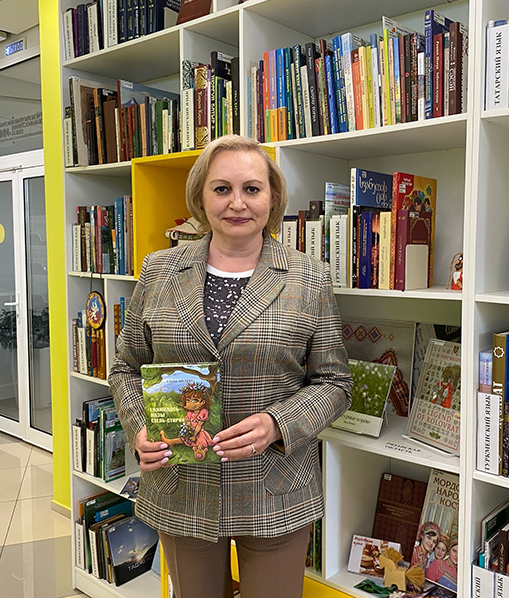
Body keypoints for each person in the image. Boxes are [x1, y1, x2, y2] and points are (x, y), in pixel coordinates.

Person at [109, 135, 352, 598]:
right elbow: (125, 368)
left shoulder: (310, 277)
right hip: (181, 482)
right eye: (221, 189)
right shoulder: (158, 270)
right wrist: (140, 428)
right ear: (200, 197)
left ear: (273, 198)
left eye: (252, 189)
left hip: (274, 485)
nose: (237, 203)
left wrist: (278, 424)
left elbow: (335, 382)